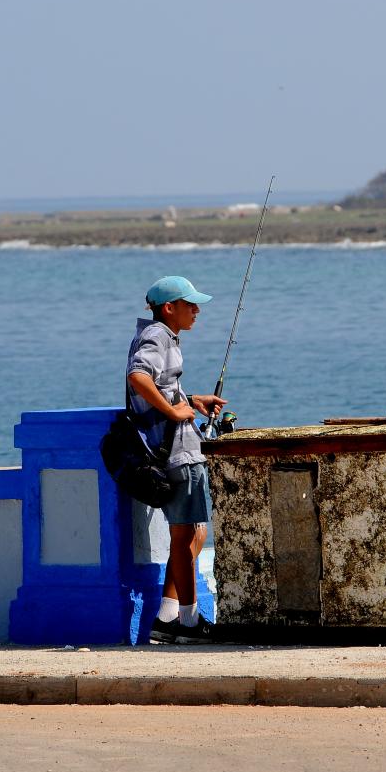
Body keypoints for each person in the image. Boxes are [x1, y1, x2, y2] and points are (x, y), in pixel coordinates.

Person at [126, 275, 227, 644]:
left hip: (180, 449)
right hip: (177, 453)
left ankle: (167, 616)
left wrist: (191, 401)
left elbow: (161, 383)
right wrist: (172, 411)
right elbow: (139, 376)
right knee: (185, 537)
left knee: (194, 533)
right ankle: (188, 622)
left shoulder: (162, 336)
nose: (196, 310)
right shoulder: (157, 336)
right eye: (190, 304)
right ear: (169, 308)